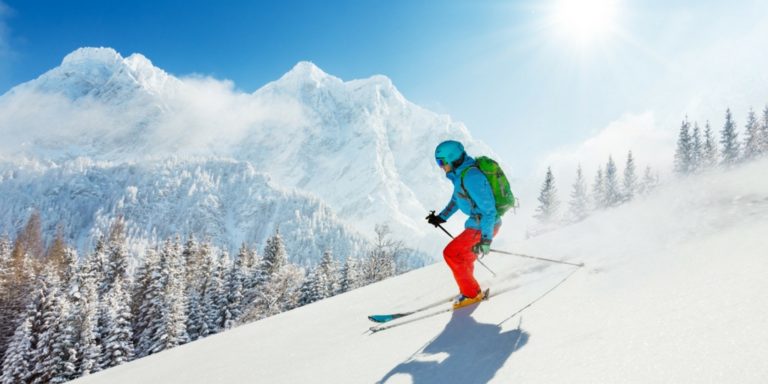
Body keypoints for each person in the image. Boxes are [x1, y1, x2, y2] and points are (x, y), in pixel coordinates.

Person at [426, 140, 501, 309]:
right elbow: (456, 200)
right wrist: (441, 217)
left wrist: (486, 239)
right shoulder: (461, 175)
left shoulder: (472, 177)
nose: (440, 166)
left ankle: (471, 294)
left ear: (452, 159)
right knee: (465, 258)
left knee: (451, 254)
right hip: (478, 224)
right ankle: (471, 290)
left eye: (441, 162)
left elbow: (489, 210)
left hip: (482, 226)